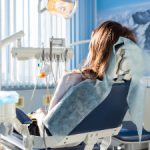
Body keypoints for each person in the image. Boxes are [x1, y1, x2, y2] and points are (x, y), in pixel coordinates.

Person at [31, 20, 136, 136]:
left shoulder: (85, 89)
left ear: (98, 50)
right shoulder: (124, 88)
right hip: (89, 143)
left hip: (58, 143)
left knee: (18, 115)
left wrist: (40, 115)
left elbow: (48, 132)